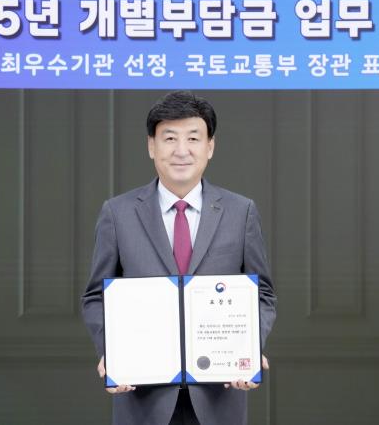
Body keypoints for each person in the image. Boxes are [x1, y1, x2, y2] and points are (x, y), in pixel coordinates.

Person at [81, 91, 277, 425]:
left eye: (193, 138)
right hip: (143, 400)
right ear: (151, 146)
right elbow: (95, 296)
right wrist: (111, 350)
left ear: (210, 147)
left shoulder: (241, 211)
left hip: (218, 398)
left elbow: (263, 293)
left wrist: (248, 345)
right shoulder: (118, 213)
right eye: (170, 138)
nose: (181, 150)